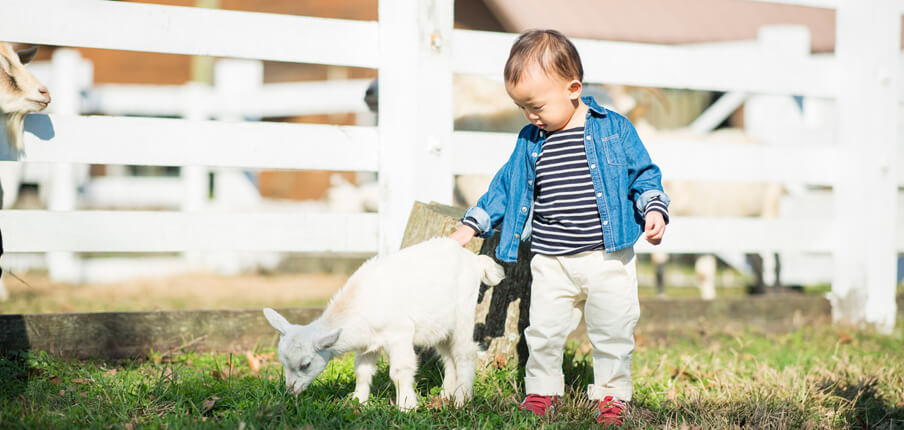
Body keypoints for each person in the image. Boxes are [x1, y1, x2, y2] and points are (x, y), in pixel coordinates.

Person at [449, 29, 669, 426]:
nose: (530, 117)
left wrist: (653, 208)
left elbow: (645, 175)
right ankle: (542, 391)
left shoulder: (614, 129)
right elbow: (506, 185)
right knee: (543, 331)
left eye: (536, 106)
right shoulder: (532, 140)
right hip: (551, 260)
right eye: (522, 108)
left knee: (613, 331)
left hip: (608, 257)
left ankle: (612, 396)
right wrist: (473, 224)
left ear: (573, 89)